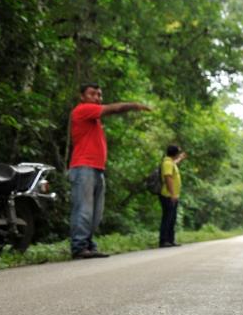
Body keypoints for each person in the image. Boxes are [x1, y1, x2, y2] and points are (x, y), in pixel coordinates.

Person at [68, 83, 151, 259]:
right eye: (93, 94)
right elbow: (113, 109)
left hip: (97, 169)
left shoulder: (94, 120)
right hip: (84, 167)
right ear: (82, 96)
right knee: (84, 209)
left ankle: (88, 245)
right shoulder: (82, 110)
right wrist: (134, 105)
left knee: (96, 212)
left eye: (99, 95)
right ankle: (79, 246)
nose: (97, 98)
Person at [159, 144, 186, 248]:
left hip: (172, 195)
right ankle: (164, 240)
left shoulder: (170, 162)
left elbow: (174, 163)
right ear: (175, 153)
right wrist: (172, 193)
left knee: (172, 218)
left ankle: (170, 240)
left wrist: (180, 158)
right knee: (167, 218)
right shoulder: (167, 163)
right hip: (167, 194)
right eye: (178, 153)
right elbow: (168, 177)